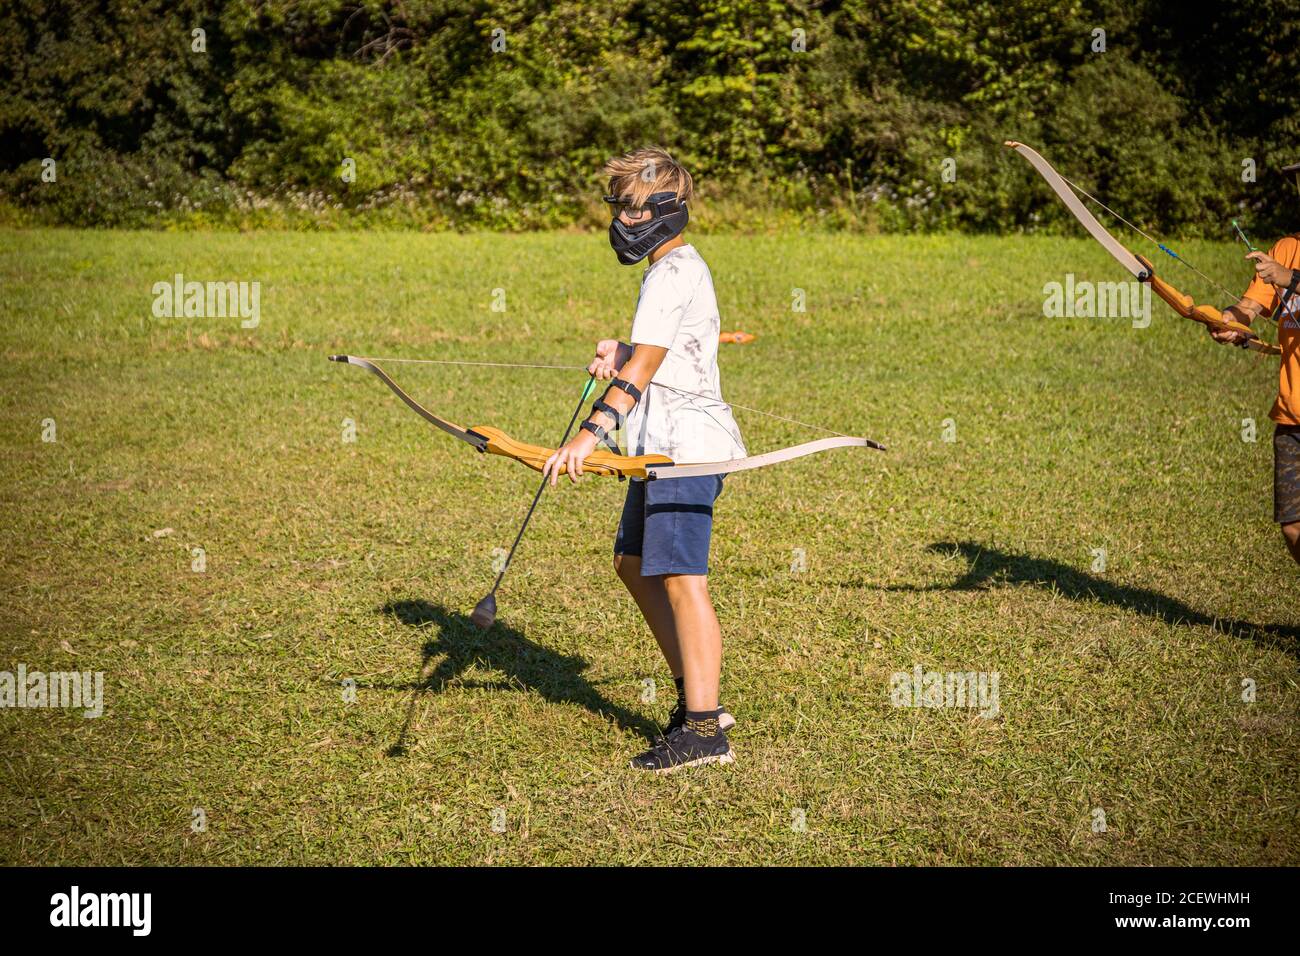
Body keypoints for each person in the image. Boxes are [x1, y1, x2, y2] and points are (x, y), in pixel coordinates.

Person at [543, 147, 741, 772]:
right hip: (658, 449)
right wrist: (624, 347)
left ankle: (705, 730)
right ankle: (697, 696)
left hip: (687, 452)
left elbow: (647, 371)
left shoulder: (671, 271)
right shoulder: (670, 269)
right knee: (633, 564)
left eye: (633, 210)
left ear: (666, 210)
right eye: (619, 209)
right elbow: (659, 350)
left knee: (684, 581)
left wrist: (589, 435)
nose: (623, 222)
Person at [1211, 229, 1300, 563]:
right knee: (1293, 527)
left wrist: (1288, 276)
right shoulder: (1287, 248)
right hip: (1293, 413)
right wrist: (1230, 321)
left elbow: (1284, 277)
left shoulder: (1284, 266)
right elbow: (1250, 305)